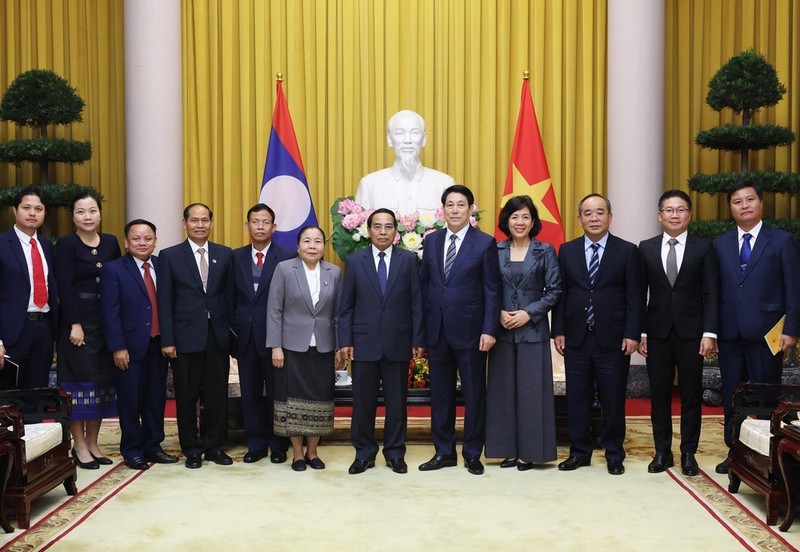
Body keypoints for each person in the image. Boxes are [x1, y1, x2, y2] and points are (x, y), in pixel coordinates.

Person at [712, 181, 800, 475]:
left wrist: (792, 330)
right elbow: (715, 292)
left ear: (761, 203)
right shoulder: (720, 243)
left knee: (764, 397)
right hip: (729, 334)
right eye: (737, 201)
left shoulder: (782, 240)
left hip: (767, 334)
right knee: (733, 397)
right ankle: (735, 453)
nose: (744, 205)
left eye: (750, 200)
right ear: (731, 208)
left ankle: (765, 456)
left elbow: (794, 289)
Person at [552, 193, 640, 475]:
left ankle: (614, 453)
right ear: (579, 219)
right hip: (576, 336)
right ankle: (580, 452)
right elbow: (561, 294)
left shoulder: (627, 251)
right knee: (577, 397)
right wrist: (559, 331)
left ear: (610, 217)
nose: (594, 218)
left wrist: (632, 333)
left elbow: (634, 297)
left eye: (599, 212)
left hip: (613, 339)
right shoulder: (567, 250)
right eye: (588, 213)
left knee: (612, 398)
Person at [418, 184, 501, 475]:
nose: (455, 210)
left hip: (472, 332)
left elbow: (492, 290)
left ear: (470, 209)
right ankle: (444, 452)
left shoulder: (485, 243)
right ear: (443, 210)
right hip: (437, 331)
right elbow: (425, 287)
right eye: (450, 205)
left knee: (474, 394)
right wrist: (421, 334)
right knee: (439, 395)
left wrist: (490, 329)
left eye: (461, 205)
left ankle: (472, 452)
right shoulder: (431, 241)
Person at [638, 190, 719, 477]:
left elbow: (711, 292)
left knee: (691, 395)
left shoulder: (704, 247)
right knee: (658, 394)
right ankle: (662, 451)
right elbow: (639, 294)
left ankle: (688, 452)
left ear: (690, 214)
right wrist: (642, 333)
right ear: (660, 215)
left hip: (692, 333)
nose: (675, 215)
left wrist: (709, 332)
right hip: (657, 332)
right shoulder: (645, 248)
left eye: (681, 210)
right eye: (669, 210)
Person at [338, 208, 425, 475]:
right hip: (363, 343)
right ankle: (363, 453)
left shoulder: (408, 260)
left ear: (396, 232)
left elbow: (416, 303)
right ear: (369, 230)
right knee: (363, 403)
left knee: (396, 402)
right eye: (378, 226)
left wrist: (418, 338)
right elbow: (347, 307)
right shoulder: (355, 261)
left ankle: (395, 453)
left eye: (388, 227)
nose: (383, 231)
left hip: (398, 341)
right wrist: (345, 341)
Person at [486, 195, 561, 470]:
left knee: (532, 393)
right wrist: (498, 313)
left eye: (525, 217)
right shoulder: (495, 250)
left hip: (533, 330)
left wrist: (528, 313)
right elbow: (486, 288)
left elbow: (555, 290)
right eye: (514, 216)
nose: (519, 222)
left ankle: (531, 452)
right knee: (502, 392)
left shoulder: (545, 251)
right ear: (506, 220)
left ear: (533, 221)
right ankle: (506, 449)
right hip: (502, 330)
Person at [157, 203, 235, 469]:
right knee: (187, 396)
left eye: (205, 220)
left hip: (216, 337)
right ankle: (191, 448)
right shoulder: (170, 256)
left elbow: (230, 298)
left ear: (212, 223)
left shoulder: (225, 255)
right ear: (185, 223)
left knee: (216, 396)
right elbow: (164, 301)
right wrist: (168, 339)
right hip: (184, 338)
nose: (200, 225)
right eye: (194, 220)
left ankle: (215, 446)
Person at [100, 219, 178, 470]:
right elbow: (110, 313)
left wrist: (169, 339)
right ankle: (132, 450)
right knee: (131, 400)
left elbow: (168, 305)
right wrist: (117, 347)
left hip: (158, 344)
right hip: (129, 347)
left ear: (155, 241)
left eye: (148, 238)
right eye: (136, 238)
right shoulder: (114, 269)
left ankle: (153, 446)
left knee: (155, 399)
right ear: (126, 241)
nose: (142, 243)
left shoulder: (162, 265)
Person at [267, 226, 342, 471]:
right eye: (307, 241)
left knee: (320, 400)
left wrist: (339, 348)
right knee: (292, 401)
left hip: (323, 347)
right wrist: (275, 346)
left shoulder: (335, 272)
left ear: (324, 246)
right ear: (298, 246)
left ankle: (313, 451)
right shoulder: (285, 269)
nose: (312, 246)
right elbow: (274, 309)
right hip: (291, 347)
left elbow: (339, 314)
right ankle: (297, 453)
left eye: (318, 241)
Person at [55, 192, 121, 469]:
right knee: (79, 384)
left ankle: (93, 443)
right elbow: (64, 286)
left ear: (100, 214)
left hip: (105, 320)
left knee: (101, 383)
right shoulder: (67, 244)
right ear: (73, 217)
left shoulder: (111, 243)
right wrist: (75, 323)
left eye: (92, 211)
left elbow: (119, 279)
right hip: (78, 323)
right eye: (81, 212)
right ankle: (79, 445)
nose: (87, 217)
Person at [231, 204, 295, 464]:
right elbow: (228, 298)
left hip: (277, 339)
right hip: (245, 337)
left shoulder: (288, 257)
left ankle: (279, 444)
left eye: (265, 222)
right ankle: (256, 443)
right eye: (255, 222)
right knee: (250, 394)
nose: (260, 226)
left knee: (278, 395)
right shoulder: (234, 257)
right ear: (247, 226)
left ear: (274, 227)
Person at [0, 186, 58, 390]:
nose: (32, 213)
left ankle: (35, 423)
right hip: (11, 332)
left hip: (43, 329)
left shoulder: (47, 246)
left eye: (38, 209)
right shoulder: (2, 243)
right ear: (14, 210)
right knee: (8, 398)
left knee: (37, 394)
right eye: (26, 207)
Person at [354, 110, 455, 214]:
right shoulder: (369, 184)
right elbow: (360, 228)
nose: (407, 140)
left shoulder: (444, 183)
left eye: (414, 133)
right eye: (400, 133)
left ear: (424, 139)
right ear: (389, 139)